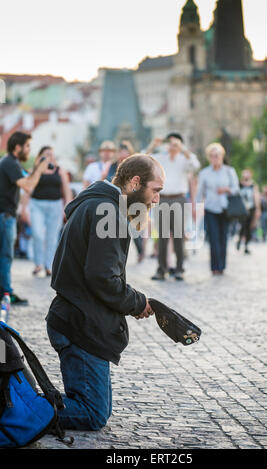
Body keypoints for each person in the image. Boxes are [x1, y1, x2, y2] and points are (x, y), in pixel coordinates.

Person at [46, 154, 165, 431]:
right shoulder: (107, 211)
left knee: (100, 409)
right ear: (135, 182)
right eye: (155, 191)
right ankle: (12, 407)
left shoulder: (99, 204)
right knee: (92, 414)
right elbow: (103, 278)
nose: (157, 200)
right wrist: (137, 302)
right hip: (79, 323)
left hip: (80, 317)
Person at [0, 131, 50, 305]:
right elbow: (29, 186)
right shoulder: (9, 163)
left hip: (7, 216)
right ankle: (6, 293)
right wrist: (40, 170)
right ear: (18, 147)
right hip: (4, 217)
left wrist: (36, 169)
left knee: (5, 256)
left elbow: (28, 179)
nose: (29, 150)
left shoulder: (11, 163)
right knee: (5, 257)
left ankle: (4, 292)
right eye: (27, 146)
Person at [147, 133, 200, 281]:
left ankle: (179, 269)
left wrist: (183, 149)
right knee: (162, 236)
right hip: (162, 199)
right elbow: (143, 160)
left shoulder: (184, 159)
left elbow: (196, 165)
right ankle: (161, 269)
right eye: (170, 143)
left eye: (175, 143)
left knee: (178, 235)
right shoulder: (161, 158)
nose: (172, 146)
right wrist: (153, 145)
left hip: (179, 199)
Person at [23, 146, 72, 277]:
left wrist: (67, 208)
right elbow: (27, 189)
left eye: (51, 154)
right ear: (40, 156)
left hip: (55, 205)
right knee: (38, 234)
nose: (49, 157)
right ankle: (38, 264)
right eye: (46, 154)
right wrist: (23, 208)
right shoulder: (34, 170)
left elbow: (66, 190)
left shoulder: (60, 171)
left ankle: (48, 265)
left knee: (52, 237)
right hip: (37, 205)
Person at [197, 143, 239, 275]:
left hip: (225, 209)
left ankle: (222, 266)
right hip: (210, 209)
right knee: (213, 238)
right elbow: (199, 192)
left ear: (222, 156)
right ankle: (214, 267)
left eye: (217, 155)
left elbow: (236, 189)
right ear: (209, 157)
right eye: (212, 156)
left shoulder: (229, 171)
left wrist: (227, 189)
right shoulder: (204, 173)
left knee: (223, 238)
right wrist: (196, 208)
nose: (215, 158)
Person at [237, 169, 261, 254]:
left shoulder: (253, 185)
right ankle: (239, 240)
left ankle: (246, 245)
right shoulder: (239, 184)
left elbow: (256, 197)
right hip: (242, 209)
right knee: (243, 226)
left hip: (251, 208)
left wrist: (258, 209)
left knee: (249, 227)